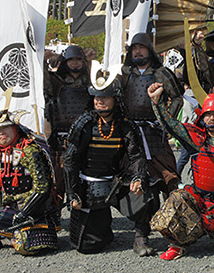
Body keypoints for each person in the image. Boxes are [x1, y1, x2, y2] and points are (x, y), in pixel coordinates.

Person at [148, 88, 214, 260]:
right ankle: (178, 244)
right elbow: (170, 124)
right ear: (201, 116)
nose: (211, 119)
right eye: (207, 114)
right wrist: (157, 102)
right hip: (199, 201)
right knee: (177, 198)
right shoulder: (196, 138)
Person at [63, 78, 156, 255]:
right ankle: (103, 230)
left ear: (116, 99)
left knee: (149, 190)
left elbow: (136, 155)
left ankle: (140, 237)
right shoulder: (84, 124)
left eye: (105, 97)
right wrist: (72, 192)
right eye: (97, 96)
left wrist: (138, 177)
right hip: (88, 185)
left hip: (116, 182)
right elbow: (70, 161)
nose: (100, 100)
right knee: (89, 246)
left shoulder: (125, 126)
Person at [0, 108, 59, 255]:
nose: (1, 133)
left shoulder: (30, 150)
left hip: (31, 203)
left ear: (15, 128)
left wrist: (25, 212)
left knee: (26, 248)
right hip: (9, 200)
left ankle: (25, 232)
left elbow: (43, 188)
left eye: (5, 128)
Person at [120, 32, 183, 193]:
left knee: (168, 176)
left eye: (141, 47)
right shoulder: (125, 74)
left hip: (155, 131)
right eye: (134, 48)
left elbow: (177, 98)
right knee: (132, 173)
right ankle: (143, 215)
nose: (138, 51)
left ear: (149, 50)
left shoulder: (162, 73)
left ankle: (170, 213)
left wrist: (166, 122)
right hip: (131, 132)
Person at [45, 45, 92, 204]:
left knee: (81, 180)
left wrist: (92, 64)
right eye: (71, 60)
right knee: (57, 181)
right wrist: (42, 61)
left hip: (83, 137)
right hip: (60, 137)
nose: (75, 63)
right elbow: (44, 84)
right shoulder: (56, 81)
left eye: (79, 59)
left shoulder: (90, 80)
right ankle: (54, 217)